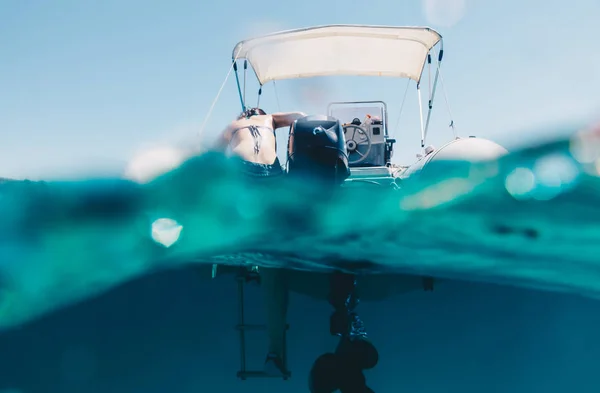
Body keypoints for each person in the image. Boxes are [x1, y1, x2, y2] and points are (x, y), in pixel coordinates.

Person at [212, 107, 306, 376]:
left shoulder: (243, 123)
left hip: (258, 174)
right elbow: (300, 115)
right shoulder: (255, 121)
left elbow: (211, 158)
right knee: (272, 267)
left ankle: (248, 257)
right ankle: (274, 352)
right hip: (261, 174)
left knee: (263, 248)